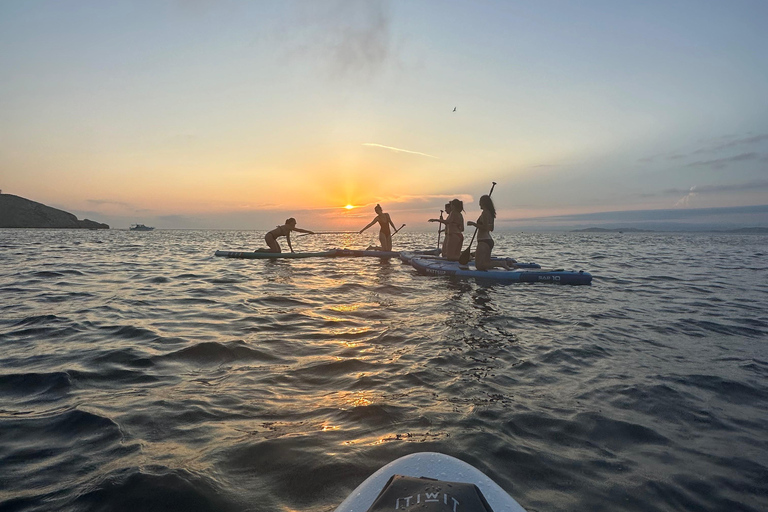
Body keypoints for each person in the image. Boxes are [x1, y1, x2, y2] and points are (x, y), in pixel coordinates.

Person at [467, 195, 497, 270]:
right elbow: (491, 228)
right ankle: (501, 264)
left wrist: (473, 224)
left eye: (480, 202)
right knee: (485, 263)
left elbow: (485, 227)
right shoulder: (491, 213)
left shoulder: (485, 213)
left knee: (479, 265)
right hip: (488, 240)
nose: (479, 204)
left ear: (483, 203)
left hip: (483, 241)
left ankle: (501, 264)